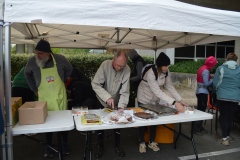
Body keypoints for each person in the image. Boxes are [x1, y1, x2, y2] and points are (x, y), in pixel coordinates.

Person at [25, 39, 73, 158]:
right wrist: (34, 89)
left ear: (48, 53)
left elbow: (70, 69)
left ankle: (64, 144)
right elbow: (27, 73)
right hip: (44, 98)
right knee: (47, 123)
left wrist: (62, 80)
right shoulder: (32, 61)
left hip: (59, 97)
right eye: (36, 53)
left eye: (41, 53)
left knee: (64, 122)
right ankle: (49, 146)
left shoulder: (60, 59)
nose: (38, 55)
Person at [137, 52, 187, 153]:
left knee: (155, 119)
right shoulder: (151, 73)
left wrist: (180, 100)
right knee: (143, 120)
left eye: (168, 65)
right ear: (159, 65)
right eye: (165, 65)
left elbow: (170, 86)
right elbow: (158, 91)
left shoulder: (167, 72)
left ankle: (152, 141)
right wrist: (174, 103)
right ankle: (142, 143)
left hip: (155, 99)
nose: (167, 68)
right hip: (144, 98)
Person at [91, 50, 131, 158]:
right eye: (118, 65)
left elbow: (125, 91)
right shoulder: (105, 65)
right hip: (102, 100)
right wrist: (107, 97)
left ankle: (117, 145)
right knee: (100, 124)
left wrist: (121, 106)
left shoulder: (126, 69)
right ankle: (100, 146)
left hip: (117, 102)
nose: (119, 68)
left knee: (118, 123)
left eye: (122, 66)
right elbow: (95, 84)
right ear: (113, 59)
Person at [213, 53, 240, 146]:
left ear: (226, 59)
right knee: (230, 117)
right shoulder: (239, 69)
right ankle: (228, 136)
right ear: (236, 60)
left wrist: (215, 91)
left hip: (222, 96)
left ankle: (224, 138)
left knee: (223, 116)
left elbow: (215, 83)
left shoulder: (220, 68)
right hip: (235, 97)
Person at [193, 56, 217, 136]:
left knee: (200, 109)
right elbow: (206, 83)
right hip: (203, 92)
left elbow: (201, 79)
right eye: (214, 64)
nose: (214, 66)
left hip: (199, 91)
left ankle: (198, 127)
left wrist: (210, 77)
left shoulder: (202, 68)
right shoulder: (206, 71)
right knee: (201, 111)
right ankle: (196, 128)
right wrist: (213, 79)